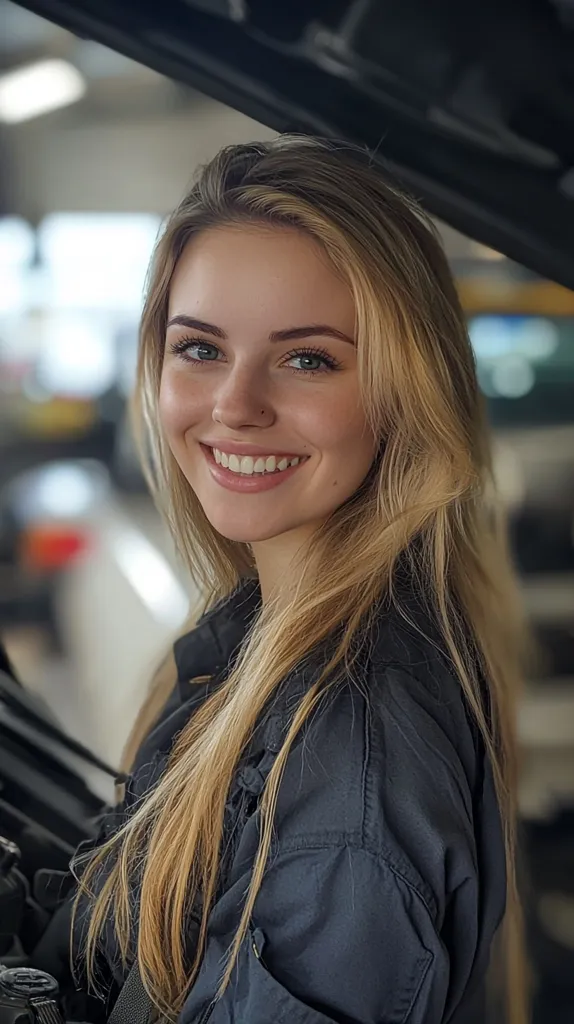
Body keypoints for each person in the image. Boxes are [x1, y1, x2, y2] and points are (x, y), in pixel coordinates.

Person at [69, 137, 529, 1024]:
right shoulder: (255, 648)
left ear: (405, 389)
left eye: (307, 358)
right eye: (199, 349)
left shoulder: (348, 752)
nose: (235, 405)